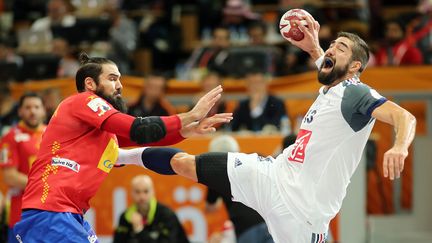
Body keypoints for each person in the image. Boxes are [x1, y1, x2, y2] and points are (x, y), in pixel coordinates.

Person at [132, 16, 416, 242]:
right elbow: (327, 67)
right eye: (333, 44)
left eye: (340, 48)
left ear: (355, 66)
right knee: (184, 164)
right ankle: (118, 155)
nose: (331, 49)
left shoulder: (356, 92)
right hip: (274, 176)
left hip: (305, 215)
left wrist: (400, 145)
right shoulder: (333, 86)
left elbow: (405, 117)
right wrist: (316, 46)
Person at [13, 52, 232, 242]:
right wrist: (190, 115)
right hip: (52, 210)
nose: (120, 85)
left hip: (66, 213)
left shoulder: (99, 130)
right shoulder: (83, 101)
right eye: (112, 78)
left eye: (120, 79)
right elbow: (140, 128)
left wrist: (187, 130)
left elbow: (144, 138)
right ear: (90, 84)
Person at [206, 135, 273, 243]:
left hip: (245, 227)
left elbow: (210, 207)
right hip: (269, 221)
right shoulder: (251, 161)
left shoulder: (215, 174)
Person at [0, 93, 46, 243]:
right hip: (22, 212)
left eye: (36, 107)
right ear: (20, 111)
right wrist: (45, 186)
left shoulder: (52, 134)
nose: (32, 111)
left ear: (43, 110)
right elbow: (10, 177)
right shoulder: (10, 137)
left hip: (50, 211)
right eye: (27, 107)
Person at [113, 175, 189, 243]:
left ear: (153, 192)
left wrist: (139, 230)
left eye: (146, 191)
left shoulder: (166, 215)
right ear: (131, 193)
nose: (142, 196)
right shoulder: (125, 217)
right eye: (137, 192)